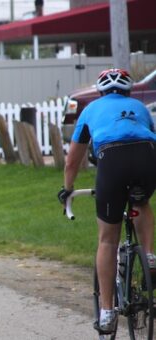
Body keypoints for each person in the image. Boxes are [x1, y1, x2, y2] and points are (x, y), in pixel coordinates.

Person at [58, 68, 156, 333]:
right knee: (140, 202)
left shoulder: (90, 109)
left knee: (108, 239)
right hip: (147, 157)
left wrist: (67, 189)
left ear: (101, 90)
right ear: (128, 90)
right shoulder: (140, 107)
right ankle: (149, 255)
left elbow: (72, 160)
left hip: (112, 161)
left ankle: (107, 312)